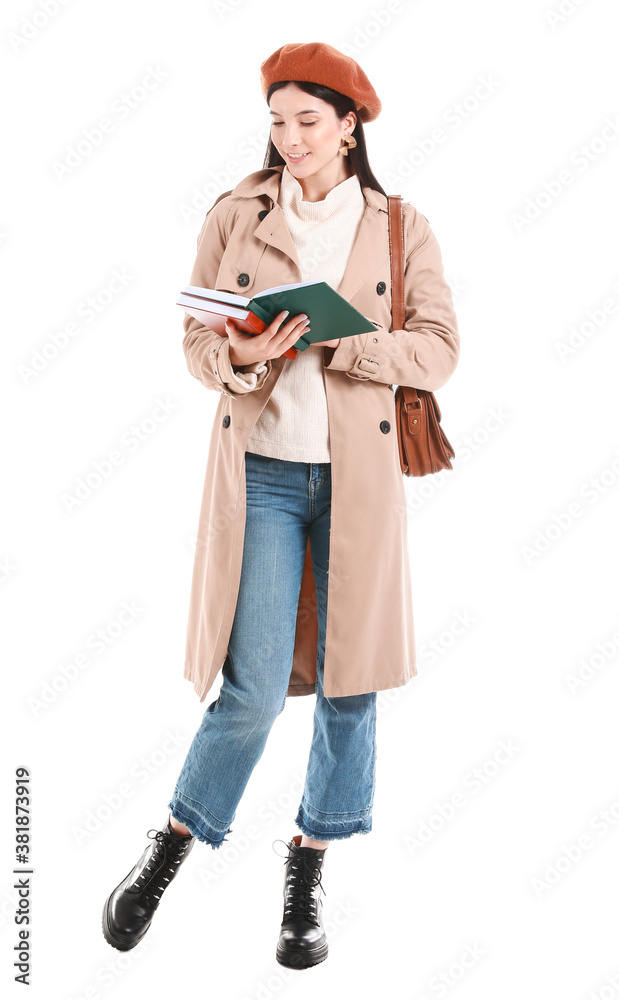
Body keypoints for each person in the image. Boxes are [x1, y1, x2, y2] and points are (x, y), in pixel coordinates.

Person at [102, 41, 460, 970]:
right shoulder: (236, 211)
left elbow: (438, 350)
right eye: (277, 120)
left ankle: (307, 869)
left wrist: (347, 349)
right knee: (252, 693)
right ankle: (172, 846)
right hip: (259, 472)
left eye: (308, 121)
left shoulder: (399, 227)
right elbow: (195, 336)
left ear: (350, 126)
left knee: (351, 686)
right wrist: (245, 357)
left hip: (358, 481)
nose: (289, 138)